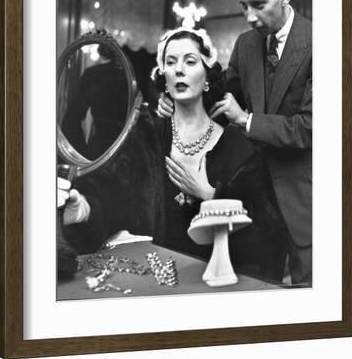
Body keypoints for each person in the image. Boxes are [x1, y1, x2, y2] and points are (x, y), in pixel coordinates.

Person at [58, 27, 286, 282]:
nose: (179, 69)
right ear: (163, 76)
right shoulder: (146, 137)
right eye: (170, 62)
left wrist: (211, 197)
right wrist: (85, 210)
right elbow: (110, 194)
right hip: (151, 282)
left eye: (190, 61)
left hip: (215, 286)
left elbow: (270, 240)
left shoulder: (238, 148)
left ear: (207, 75)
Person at [159, 0, 312, 286]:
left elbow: (310, 129)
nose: (249, 16)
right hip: (254, 207)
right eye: (243, 6)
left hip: (304, 205)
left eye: (258, 5)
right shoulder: (245, 45)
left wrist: (246, 120)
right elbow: (219, 100)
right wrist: (173, 98)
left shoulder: (321, 44)